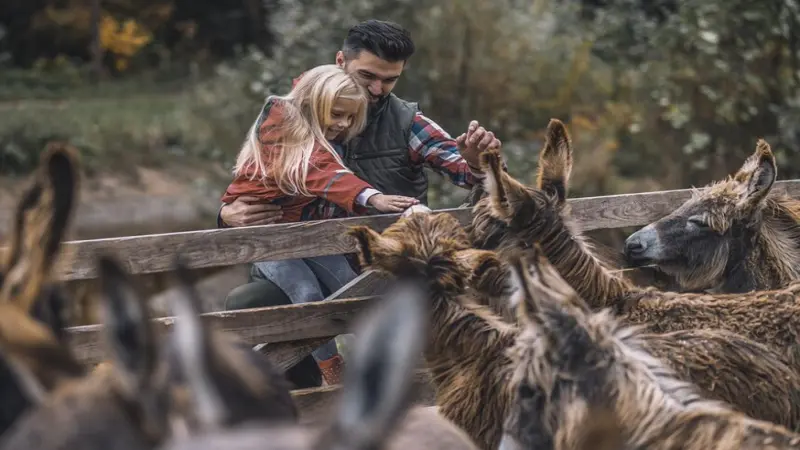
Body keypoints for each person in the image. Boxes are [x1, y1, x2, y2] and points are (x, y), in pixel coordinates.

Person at [220, 19, 503, 386]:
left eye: (389, 80)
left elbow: (467, 171)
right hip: (294, 257)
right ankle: (292, 398)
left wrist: (481, 162)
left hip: (374, 265)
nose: (376, 88)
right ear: (341, 61)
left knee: (422, 304)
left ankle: (417, 387)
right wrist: (227, 215)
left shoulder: (407, 122)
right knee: (251, 303)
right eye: (367, 75)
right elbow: (255, 179)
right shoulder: (293, 116)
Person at [220, 63, 420, 385]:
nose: (342, 124)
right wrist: (372, 198)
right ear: (313, 104)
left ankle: (375, 358)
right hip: (270, 241)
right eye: (337, 114)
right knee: (306, 290)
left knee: (349, 281)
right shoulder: (286, 136)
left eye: (350, 118)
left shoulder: (317, 127)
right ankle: (331, 366)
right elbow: (321, 172)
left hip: (303, 236)